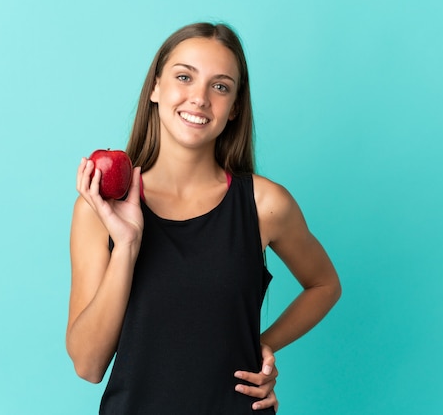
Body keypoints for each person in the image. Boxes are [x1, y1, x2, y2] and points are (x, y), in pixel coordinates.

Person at [66, 22, 341, 414]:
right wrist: (126, 245)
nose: (199, 98)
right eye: (184, 77)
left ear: (234, 109)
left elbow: (324, 284)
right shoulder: (98, 208)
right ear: (155, 88)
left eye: (220, 86)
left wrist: (260, 345)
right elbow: (88, 365)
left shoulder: (264, 204)